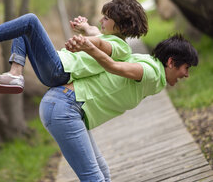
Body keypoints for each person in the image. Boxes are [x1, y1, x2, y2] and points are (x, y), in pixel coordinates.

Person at [37, 33, 198, 181]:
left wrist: (88, 30)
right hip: (65, 107)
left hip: (65, 105)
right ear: (171, 62)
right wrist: (89, 47)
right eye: (186, 67)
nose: (187, 74)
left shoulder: (150, 66)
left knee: (103, 174)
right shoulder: (151, 72)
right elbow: (114, 66)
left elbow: (110, 48)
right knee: (95, 178)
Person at [0, 0, 148, 94]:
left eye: (107, 18)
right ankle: (15, 75)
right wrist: (84, 27)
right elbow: (93, 31)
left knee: (30, 21)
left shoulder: (122, 48)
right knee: (22, 29)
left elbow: (98, 42)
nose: (101, 20)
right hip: (56, 72)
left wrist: (84, 41)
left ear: (122, 26)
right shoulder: (108, 36)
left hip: (60, 71)